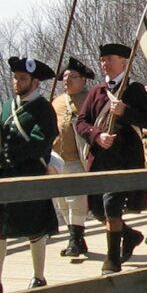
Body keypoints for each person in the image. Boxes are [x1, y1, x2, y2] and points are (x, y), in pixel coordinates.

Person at [75, 43, 147, 274]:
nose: (104, 63)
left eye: (109, 58)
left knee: (112, 207)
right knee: (98, 209)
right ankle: (129, 236)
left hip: (124, 159)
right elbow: (81, 122)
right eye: (102, 59)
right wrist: (97, 136)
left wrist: (125, 112)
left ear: (123, 62)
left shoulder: (134, 90)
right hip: (100, 159)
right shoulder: (97, 92)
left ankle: (112, 260)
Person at [0, 58, 61, 293]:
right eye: (15, 77)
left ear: (35, 82)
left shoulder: (43, 109)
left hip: (29, 175)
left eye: (23, 78)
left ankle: (38, 276)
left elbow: (39, 144)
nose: (17, 82)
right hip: (2, 176)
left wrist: (7, 158)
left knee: (34, 227)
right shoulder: (7, 106)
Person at [51, 56, 95, 259]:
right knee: (63, 202)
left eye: (73, 76)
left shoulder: (91, 99)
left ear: (83, 80)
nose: (67, 80)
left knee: (76, 199)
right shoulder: (57, 102)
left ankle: (75, 239)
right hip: (59, 159)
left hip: (80, 157)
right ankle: (75, 238)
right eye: (65, 76)